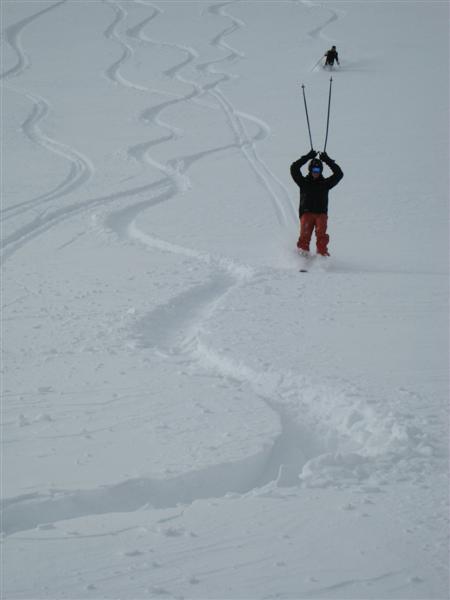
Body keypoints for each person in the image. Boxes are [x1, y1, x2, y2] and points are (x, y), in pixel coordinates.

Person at [290, 149, 343, 257]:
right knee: (304, 236)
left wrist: (328, 160)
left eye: (318, 170)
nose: (316, 172)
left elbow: (339, 174)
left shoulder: (325, 183)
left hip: (321, 214)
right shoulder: (303, 182)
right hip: (306, 213)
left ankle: (322, 256)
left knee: (321, 235)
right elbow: (294, 168)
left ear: (321, 170)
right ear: (310, 169)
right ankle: (302, 257)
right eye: (314, 169)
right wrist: (308, 157)